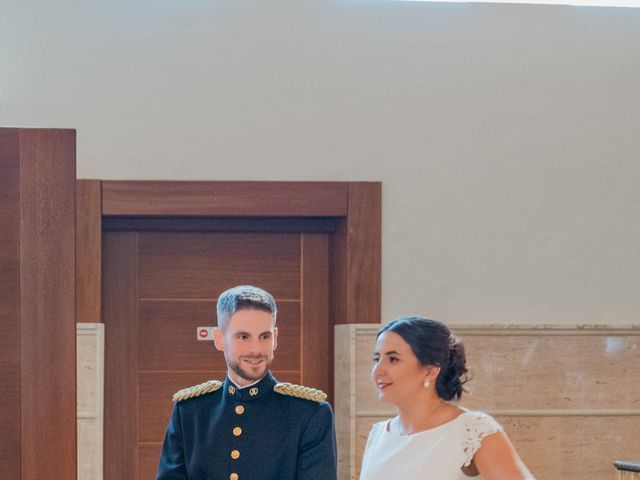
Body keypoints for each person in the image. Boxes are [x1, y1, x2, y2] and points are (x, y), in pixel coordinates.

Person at [157, 285, 337, 480]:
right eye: (243, 337)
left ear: (275, 339)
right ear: (219, 339)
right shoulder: (190, 411)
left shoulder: (310, 413)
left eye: (264, 337)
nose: (256, 349)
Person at [359, 316, 534, 480]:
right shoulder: (379, 434)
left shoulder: (473, 430)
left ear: (430, 370)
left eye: (393, 359)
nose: (378, 370)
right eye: (376, 359)